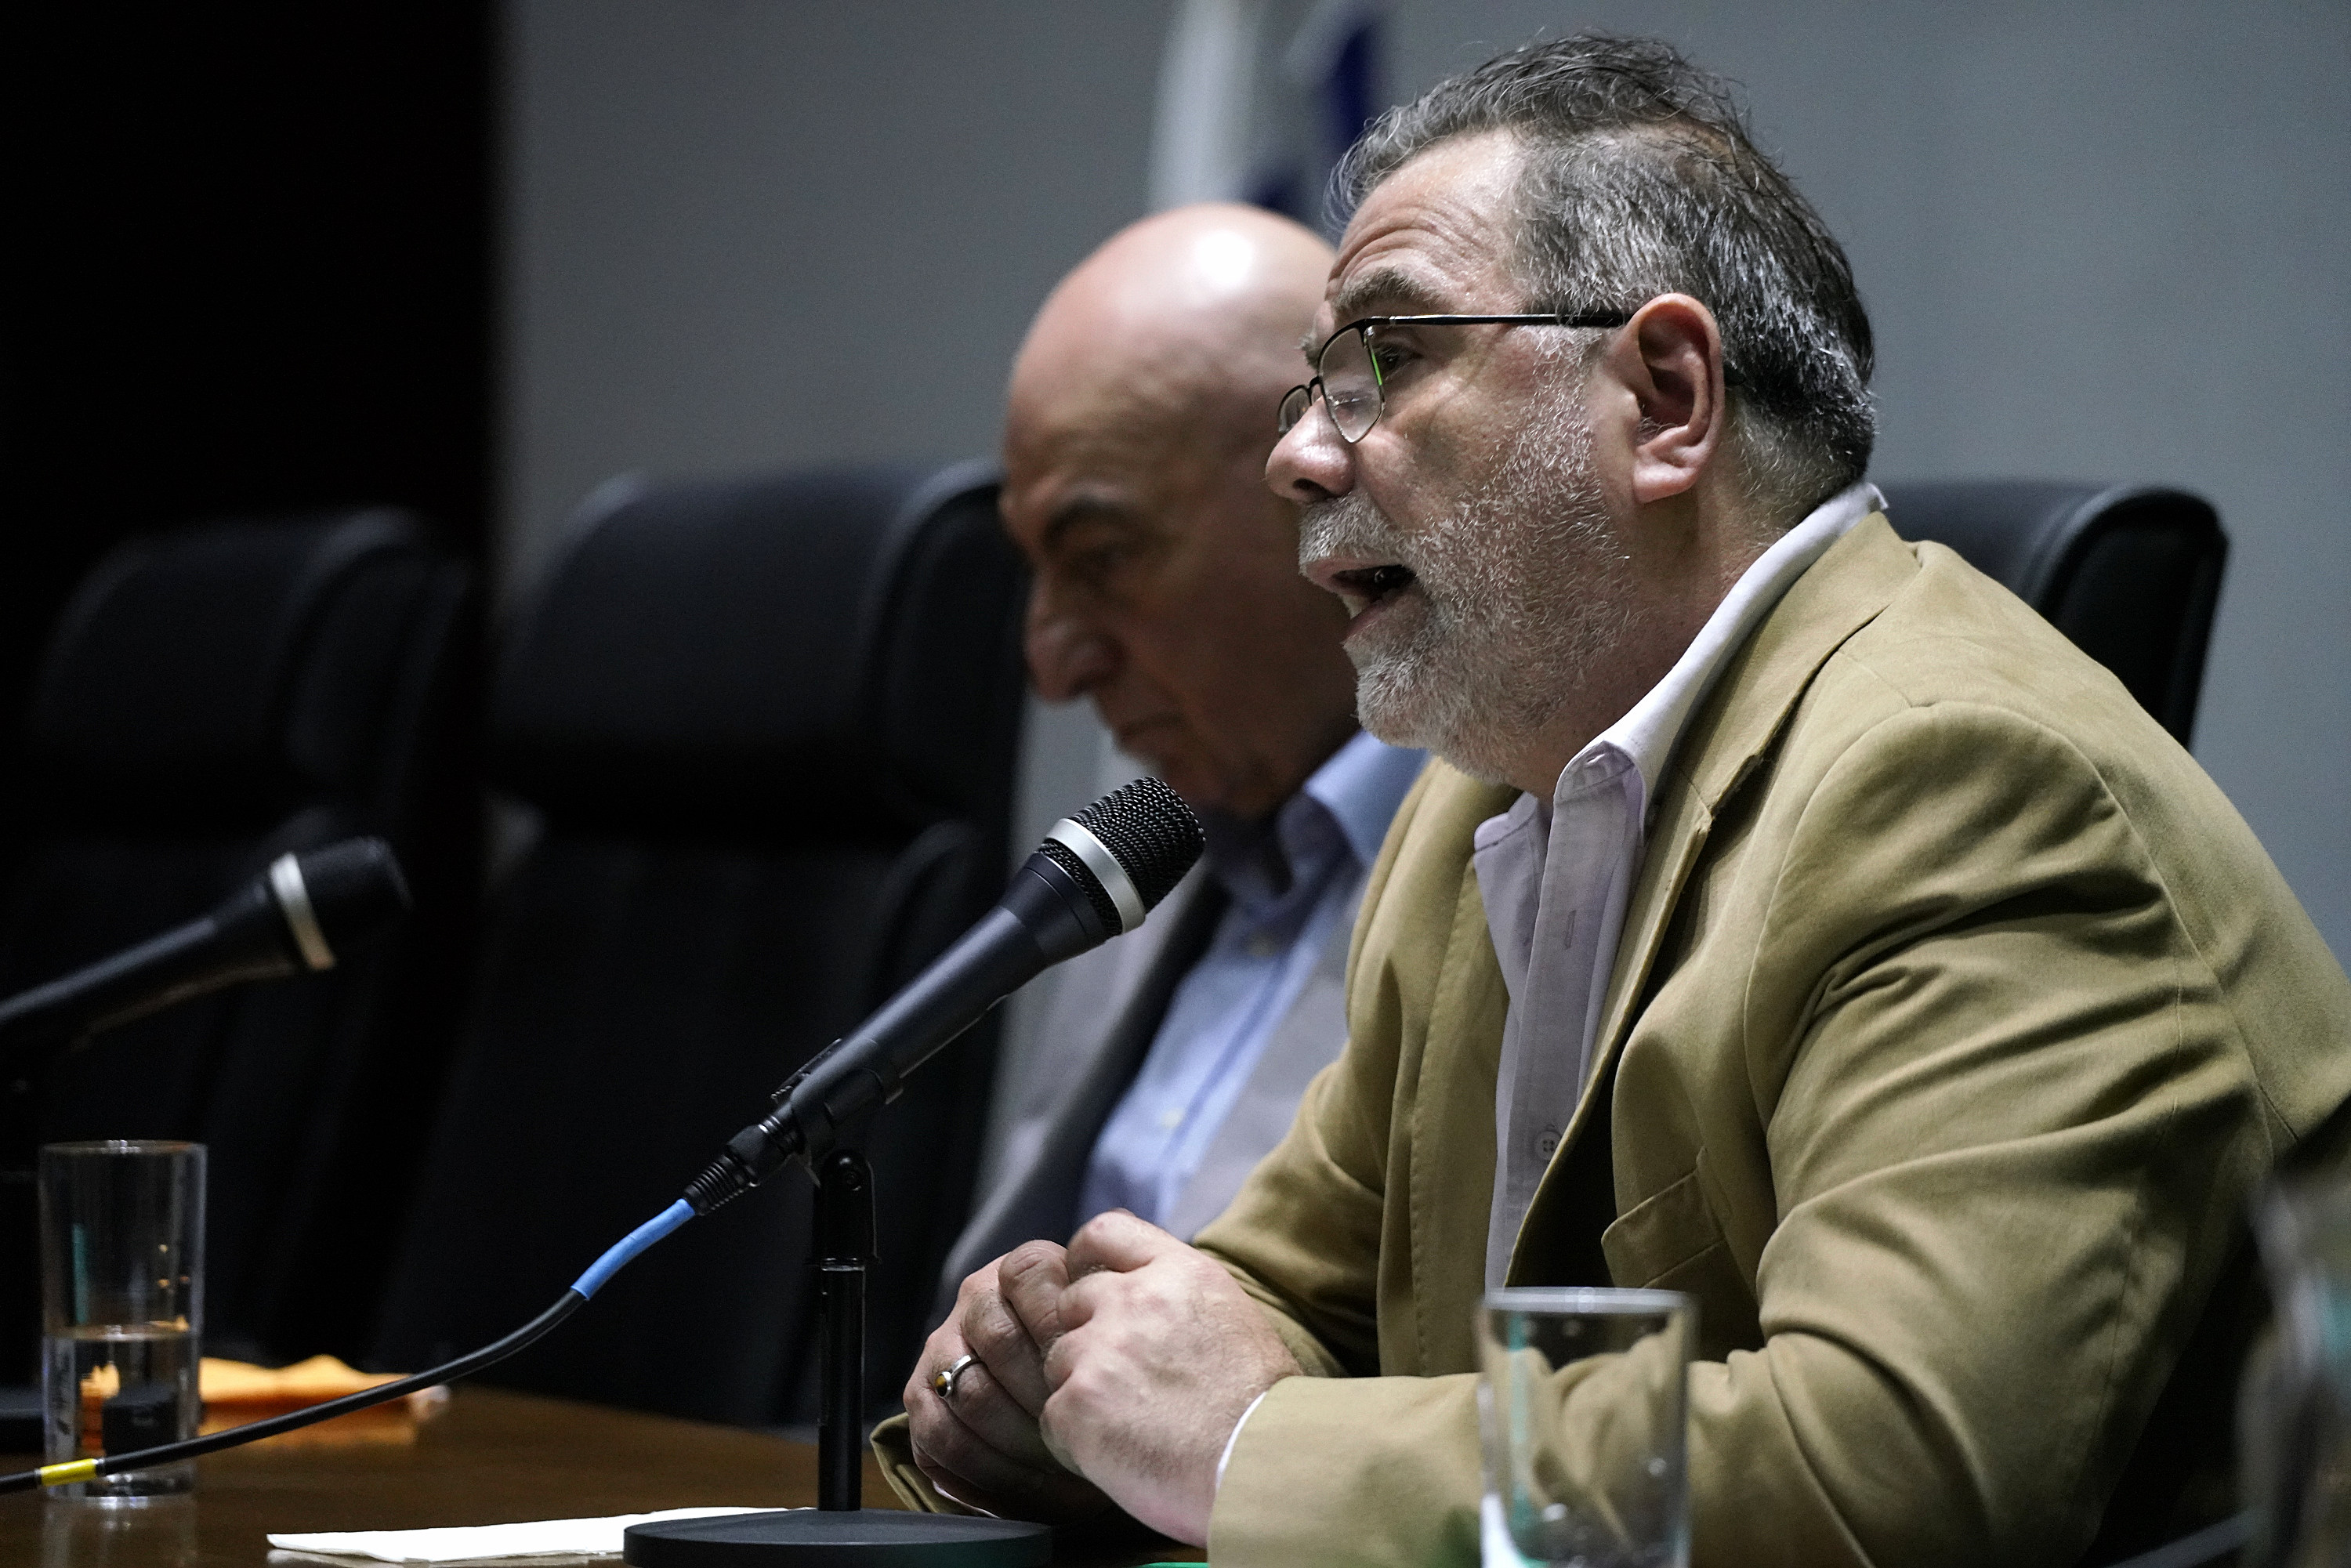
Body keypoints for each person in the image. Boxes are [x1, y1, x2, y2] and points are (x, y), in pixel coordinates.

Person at [880, 34, 2351, 1568]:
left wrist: (1242, 1445)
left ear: (1663, 397)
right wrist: (1067, 1388)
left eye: (1386, 357)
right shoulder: (1474, 807)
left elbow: (1887, 1479)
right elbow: (1279, 1302)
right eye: (1311, 386)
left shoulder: (1965, 781)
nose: (1301, 456)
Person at [938, 203, 1425, 1314]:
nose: (1051, 664)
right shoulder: (1141, 845)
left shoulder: (1534, 853)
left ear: (1319, 492)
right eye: (1035, 572)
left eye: (1103, 557)